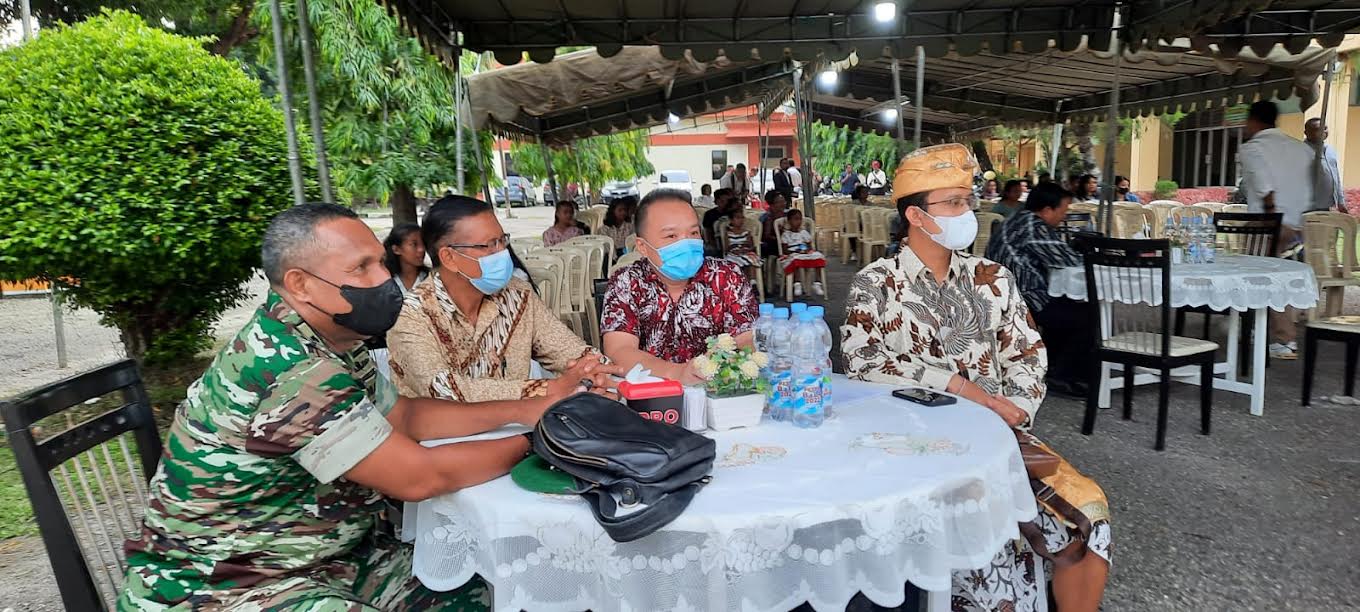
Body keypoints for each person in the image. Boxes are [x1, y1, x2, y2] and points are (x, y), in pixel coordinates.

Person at [119, 203, 617, 610]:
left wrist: (523, 410)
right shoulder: (286, 368)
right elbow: (420, 478)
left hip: (325, 557)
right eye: (361, 268)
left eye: (379, 261)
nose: (383, 277)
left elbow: (407, 416)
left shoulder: (332, 339)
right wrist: (536, 439)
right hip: (228, 585)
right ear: (300, 285)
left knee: (493, 590)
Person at [842, 145, 1111, 612]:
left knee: (1089, 515)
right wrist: (963, 389)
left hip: (999, 441)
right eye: (953, 203)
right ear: (916, 215)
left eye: (968, 201)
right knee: (988, 551)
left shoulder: (992, 278)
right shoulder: (877, 283)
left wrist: (1016, 412)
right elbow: (863, 363)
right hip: (912, 447)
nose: (968, 213)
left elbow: (1029, 354)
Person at [602, 189, 759, 384]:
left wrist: (730, 363)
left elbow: (746, 339)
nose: (686, 242)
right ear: (642, 246)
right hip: (653, 397)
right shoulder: (627, 282)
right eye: (671, 236)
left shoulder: (727, 276)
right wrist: (677, 373)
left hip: (719, 391)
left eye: (693, 232)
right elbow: (619, 350)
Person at [986, 182, 1090, 397]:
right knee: (1087, 317)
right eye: (1063, 210)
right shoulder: (1032, 226)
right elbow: (1068, 259)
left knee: (1067, 308)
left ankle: (1052, 367)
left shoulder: (1018, 218)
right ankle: (1063, 377)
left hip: (1003, 295)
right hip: (1022, 299)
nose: (1064, 216)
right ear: (1047, 210)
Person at [1239, 100, 1314, 359]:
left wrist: (1273, 218)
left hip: (1267, 223)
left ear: (1253, 121)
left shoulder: (1252, 149)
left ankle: (1281, 338)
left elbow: (1263, 185)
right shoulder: (1302, 150)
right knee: (1280, 276)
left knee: (1261, 277)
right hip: (1298, 221)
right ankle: (1263, 330)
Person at [778, 208, 826, 297]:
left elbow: (809, 245)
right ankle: (797, 283)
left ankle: (817, 283)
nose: (798, 221)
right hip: (792, 253)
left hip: (804, 253)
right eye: (795, 219)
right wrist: (795, 251)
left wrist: (806, 250)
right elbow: (785, 250)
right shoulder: (786, 234)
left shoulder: (804, 233)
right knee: (795, 260)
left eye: (800, 219)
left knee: (819, 257)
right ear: (789, 221)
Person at [1305, 117, 1345, 212]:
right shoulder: (1302, 151)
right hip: (1309, 206)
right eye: (1317, 129)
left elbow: (1336, 177)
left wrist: (1340, 201)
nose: (1323, 131)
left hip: (1326, 206)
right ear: (1306, 133)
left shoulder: (1330, 150)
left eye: (1325, 128)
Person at [384, 223, 429, 295]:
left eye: (423, 243)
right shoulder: (386, 281)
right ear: (396, 249)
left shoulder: (430, 279)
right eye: (414, 244)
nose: (422, 249)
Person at [722, 210, 760, 282]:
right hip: (733, 254)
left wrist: (745, 249)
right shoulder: (728, 234)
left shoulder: (747, 232)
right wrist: (735, 250)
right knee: (736, 261)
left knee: (749, 260)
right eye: (738, 218)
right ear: (731, 220)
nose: (741, 220)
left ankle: (753, 283)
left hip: (746, 252)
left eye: (742, 218)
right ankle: (741, 283)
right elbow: (726, 248)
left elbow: (751, 246)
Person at [703, 187, 737, 252]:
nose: (725, 203)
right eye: (722, 201)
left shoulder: (732, 213)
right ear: (716, 201)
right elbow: (707, 233)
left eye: (728, 201)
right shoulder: (709, 214)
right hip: (715, 243)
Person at [760, 189, 788, 257]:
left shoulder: (787, 215)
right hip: (773, 244)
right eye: (779, 202)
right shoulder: (766, 218)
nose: (783, 204)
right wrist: (779, 239)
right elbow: (766, 236)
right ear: (771, 205)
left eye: (783, 201)